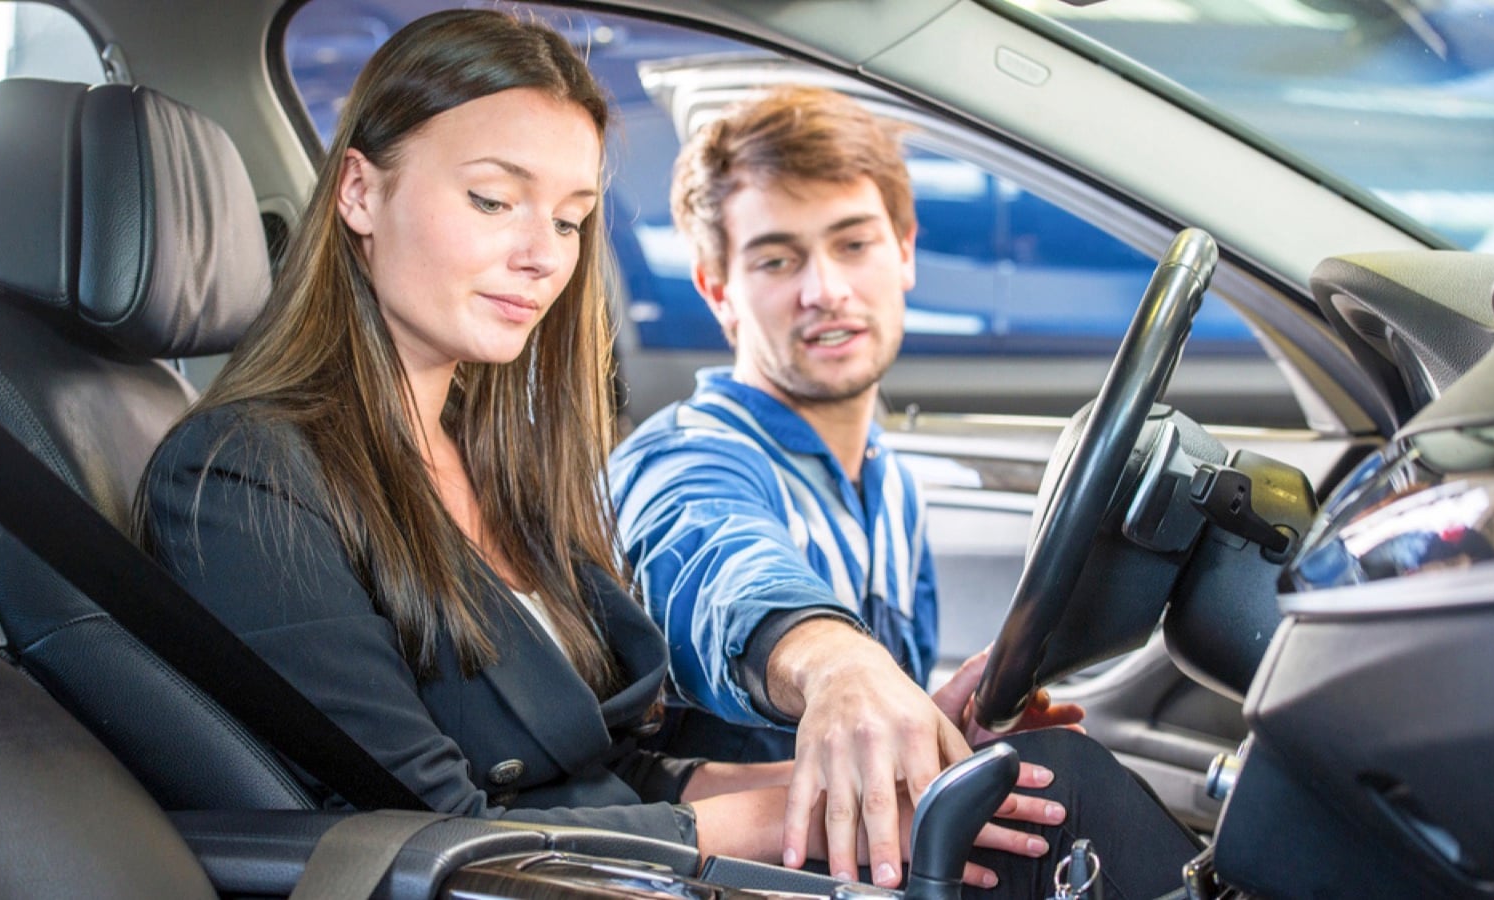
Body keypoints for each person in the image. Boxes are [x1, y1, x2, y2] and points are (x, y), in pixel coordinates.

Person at [136, 9, 1037, 891]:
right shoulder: (240, 478)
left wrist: (910, 749)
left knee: (1051, 801)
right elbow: (432, 841)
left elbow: (615, 776)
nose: (543, 256)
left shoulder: (496, 467)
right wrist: (832, 779)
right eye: (494, 199)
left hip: (636, 871)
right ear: (361, 192)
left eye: (570, 220)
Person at [609, 85, 1204, 892]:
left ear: (905, 251)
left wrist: (928, 720)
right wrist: (833, 662)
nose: (824, 289)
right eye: (777, 259)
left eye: (853, 244)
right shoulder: (687, 458)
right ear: (719, 291)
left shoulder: (890, 485)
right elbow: (711, 557)